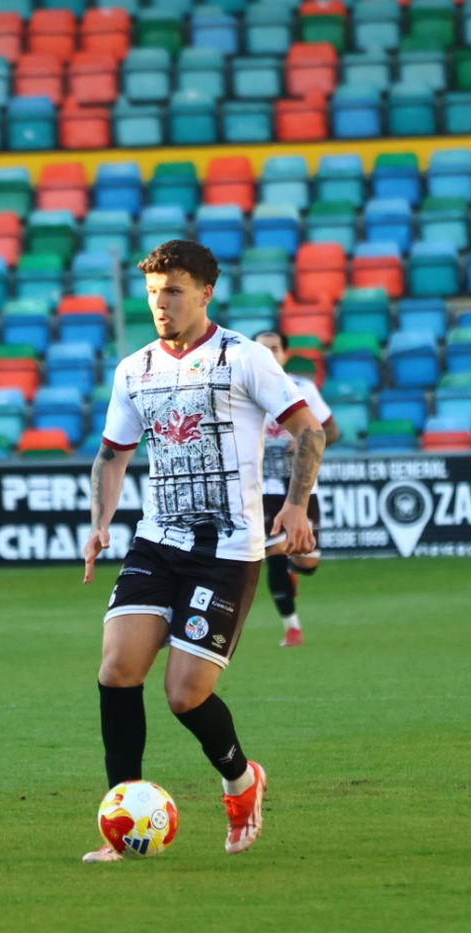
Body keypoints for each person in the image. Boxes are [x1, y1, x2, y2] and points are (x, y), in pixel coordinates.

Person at [81, 240, 327, 862]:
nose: (161, 304)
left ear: (205, 292)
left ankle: (243, 782)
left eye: (174, 292)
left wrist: (295, 506)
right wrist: (100, 523)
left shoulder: (244, 358)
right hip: (156, 540)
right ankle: (122, 819)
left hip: (228, 550)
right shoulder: (134, 368)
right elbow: (113, 454)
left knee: (184, 695)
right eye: (154, 294)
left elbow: (309, 431)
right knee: (117, 670)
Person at [254, 330, 341, 647]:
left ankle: (295, 567)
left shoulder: (302, 389)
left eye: (274, 349)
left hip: (302, 487)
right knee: (272, 552)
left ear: (286, 355)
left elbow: (331, 432)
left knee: (307, 562)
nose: (269, 355)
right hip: (261, 490)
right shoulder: (241, 391)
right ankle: (292, 628)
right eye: (262, 350)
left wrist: (306, 438)